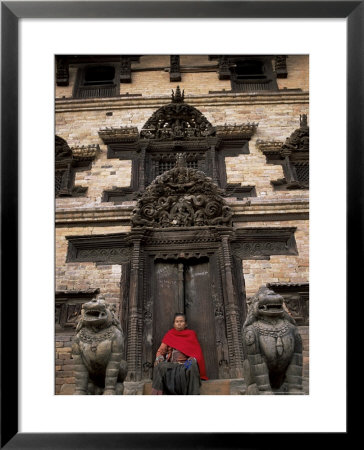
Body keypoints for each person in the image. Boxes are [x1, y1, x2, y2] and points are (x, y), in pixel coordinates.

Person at [151, 313, 208, 395]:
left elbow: (197, 353)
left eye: (181, 321)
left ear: (186, 324)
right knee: (160, 366)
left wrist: (192, 359)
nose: (179, 323)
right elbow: (161, 351)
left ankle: (193, 394)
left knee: (193, 364)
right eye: (177, 321)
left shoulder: (191, 334)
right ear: (173, 324)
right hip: (172, 365)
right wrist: (159, 358)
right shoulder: (169, 335)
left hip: (185, 365)